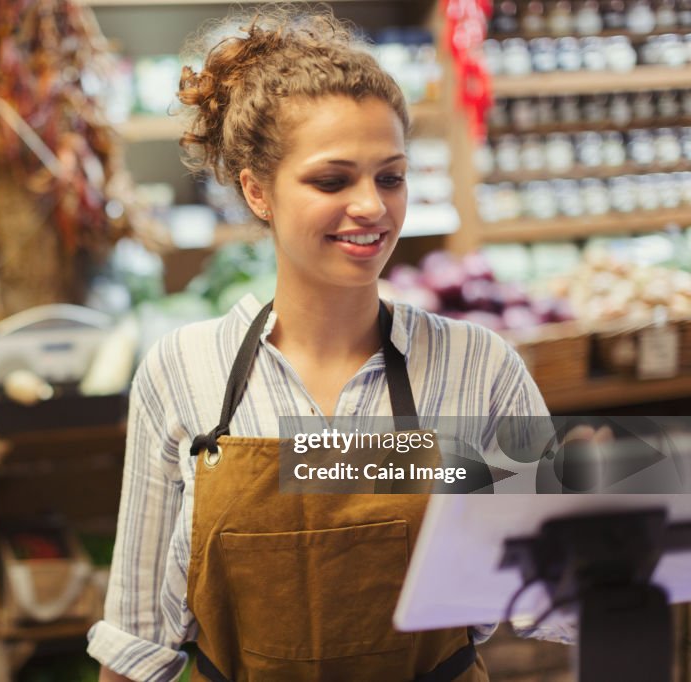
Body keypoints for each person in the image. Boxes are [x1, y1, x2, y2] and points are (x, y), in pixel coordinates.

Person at [88, 9, 570, 681]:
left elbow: (560, 596)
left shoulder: (477, 365)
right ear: (258, 191)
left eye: (391, 176)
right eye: (333, 180)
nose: (372, 206)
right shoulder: (183, 370)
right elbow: (137, 643)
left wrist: (613, 511)